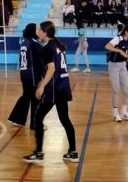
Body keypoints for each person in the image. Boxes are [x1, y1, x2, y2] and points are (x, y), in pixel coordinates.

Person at [23, 21, 79, 164]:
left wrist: (42, 86)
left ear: (45, 33)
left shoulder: (47, 48)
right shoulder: (58, 46)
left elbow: (52, 68)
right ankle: (73, 152)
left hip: (54, 88)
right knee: (65, 119)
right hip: (63, 86)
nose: (38, 32)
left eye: (39, 30)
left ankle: (39, 153)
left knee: (38, 117)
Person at [8, 23, 43, 130]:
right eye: (37, 29)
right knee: (35, 98)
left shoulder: (24, 42)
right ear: (33, 31)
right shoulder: (34, 44)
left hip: (24, 73)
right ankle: (35, 124)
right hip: (32, 74)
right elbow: (39, 62)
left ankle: (16, 119)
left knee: (26, 96)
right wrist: (43, 76)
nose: (39, 31)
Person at [105, 23, 128, 122]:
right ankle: (115, 114)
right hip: (113, 66)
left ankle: (124, 112)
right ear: (126, 32)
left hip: (123, 65)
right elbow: (107, 46)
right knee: (116, 89)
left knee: (127, 90)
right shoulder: (118, 38)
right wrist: (119, 51)